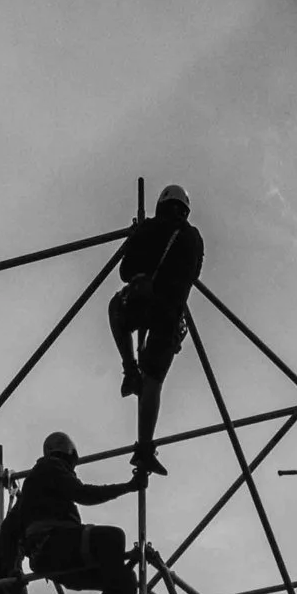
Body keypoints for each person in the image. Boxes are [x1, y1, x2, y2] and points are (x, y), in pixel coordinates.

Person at [4, 431, 158, 594]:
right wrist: (129, 486)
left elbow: (8, 530)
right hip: (56, 546)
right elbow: (83, 494)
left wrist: (14, 567)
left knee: (125, 577)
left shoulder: (33, 487)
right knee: (113, 538)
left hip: (53, 561)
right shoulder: (50, 466)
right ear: (70, 454)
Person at [107, 184, 204, 476]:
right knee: (154, 381)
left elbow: (125, 271)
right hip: (171, 316)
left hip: (143, 303)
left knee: (115, 309)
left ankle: (129, 370)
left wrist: (138, 241)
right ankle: (145, 449)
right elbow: (194, 274)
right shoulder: (194, 238)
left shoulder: (150, 228)